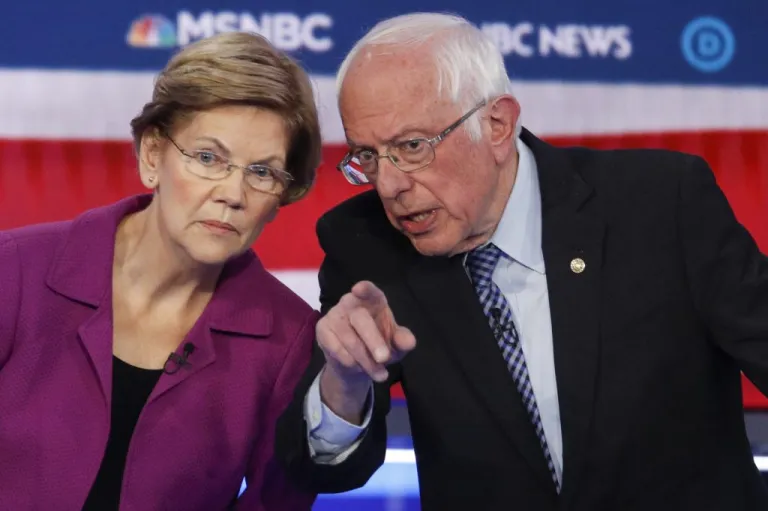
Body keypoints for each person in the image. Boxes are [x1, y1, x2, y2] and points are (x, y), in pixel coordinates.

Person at [274, 12, 768, 511]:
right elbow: (319, 469)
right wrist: (345, 381)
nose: (389, 185)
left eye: (411, 147)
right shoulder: (365, 244)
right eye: (368, 155)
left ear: (497, 125)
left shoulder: (661, 202)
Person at [0, 32, 321, 511]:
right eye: (210, 158)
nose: (233, 193)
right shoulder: (16, 269)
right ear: (153, 156)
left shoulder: (290, 341)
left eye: (262, 172)